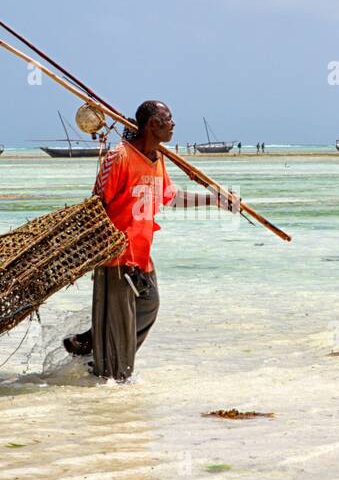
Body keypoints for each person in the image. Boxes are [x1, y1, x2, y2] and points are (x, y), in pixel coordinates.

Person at [64, 100, 237, 380]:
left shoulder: (158, 159)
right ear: (153, 125)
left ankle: (91, 345)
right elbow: (96, 205)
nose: (174, 124)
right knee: (119, 346)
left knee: (149, 306)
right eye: (169, 119)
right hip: (116, 256)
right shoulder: (119, 157)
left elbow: (170, 197)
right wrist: (93, 255)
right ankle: (106, 387)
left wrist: (215, 200)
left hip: (142, 255)